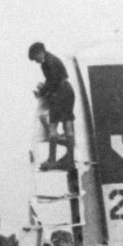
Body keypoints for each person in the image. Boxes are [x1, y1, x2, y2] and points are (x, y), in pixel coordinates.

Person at [28, 41, 76, 171]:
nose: (36, 61)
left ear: (40, 53)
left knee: (53, 125)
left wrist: (41, 91)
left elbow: (52, 81)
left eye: (35, 57)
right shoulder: (53, 59)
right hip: (68, 90)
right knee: (68, 125)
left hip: (59, 92)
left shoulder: (47, 63)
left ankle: (52, 160)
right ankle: (70, 159)